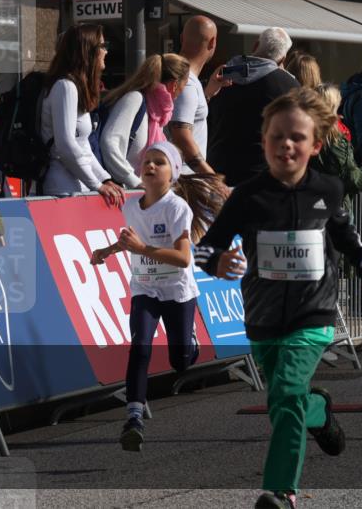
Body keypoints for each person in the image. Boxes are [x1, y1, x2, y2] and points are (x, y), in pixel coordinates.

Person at [194, 87, 362, 509]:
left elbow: (347, 236)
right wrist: (216, 262)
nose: (286, 145)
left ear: (315, 145)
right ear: (264, 142)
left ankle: (282, 492)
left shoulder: (329, 189)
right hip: (262, 317)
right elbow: (205, 248)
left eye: (297, 137)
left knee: (284, 392)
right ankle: (318, 411)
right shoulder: (248, 196)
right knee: (289, 398)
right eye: (277, 136)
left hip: (313, 315)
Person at [90, 141, 226, 452]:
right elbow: (131, 241)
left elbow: (182, 259)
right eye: (147, 161)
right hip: (144, 288)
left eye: (159, 162)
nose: (150, 166)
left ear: (172, 174)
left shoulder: (177, 208)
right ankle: (134, 418)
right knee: (140, 347)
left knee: (180, 362)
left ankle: (189, 340)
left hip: (176, 291)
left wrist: (141, 249)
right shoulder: (129, 206)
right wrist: (107, 251)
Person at [39, 24, 124, 205]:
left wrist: (104, 179)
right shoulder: (65, 87)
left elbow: (82, 145)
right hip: (62, 189)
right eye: (102, 46)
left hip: (77, 185)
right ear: (88, 51)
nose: (106, 51)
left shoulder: (73, 87)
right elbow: (65, 145)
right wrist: (97, 184)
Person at [207, 27, 300, 187]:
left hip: (217, 169)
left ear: (255, 45)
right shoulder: (288, 85)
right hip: (260, 173)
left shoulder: (222, 75)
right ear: (282, 58)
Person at [97, 54, 190, 189]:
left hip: (134, 194)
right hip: (118, 193)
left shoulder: (156, 115)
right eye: (185, 85)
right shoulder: (135, 99)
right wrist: (134, 181)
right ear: (175, 85)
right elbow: (109, 142)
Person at [168, 16, 229, 175]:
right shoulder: (186, 82)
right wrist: (209, 176)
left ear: (182, 38)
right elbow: (181, 135)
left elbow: (187, 117)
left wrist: (208, 92)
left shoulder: (183, 79)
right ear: (212, 42)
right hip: (184, 179)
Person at [312, 83, 362, 218]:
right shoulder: (334, 139)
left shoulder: (305, 135)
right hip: (336, 208)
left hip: (312, 204)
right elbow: (353, 180)